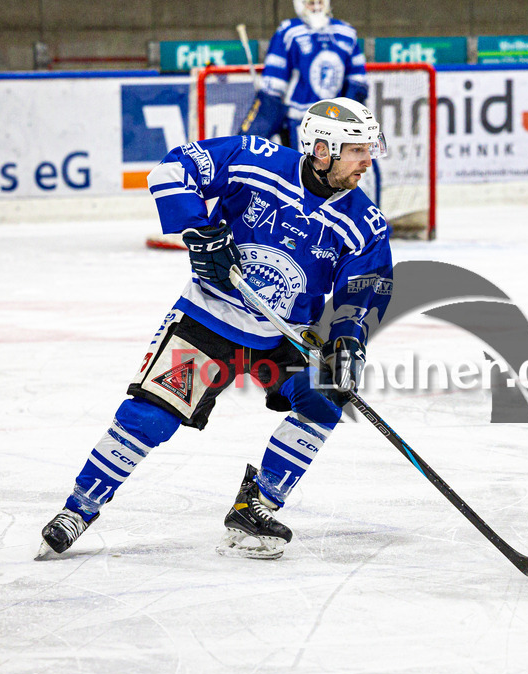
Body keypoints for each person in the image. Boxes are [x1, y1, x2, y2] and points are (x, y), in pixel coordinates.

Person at [37, 97, 393, 561]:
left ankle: (255, 506)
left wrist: (348, 342)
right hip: (209, 319)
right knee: (151, 417)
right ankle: (78, 509)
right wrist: (199, 230)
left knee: (324, 397)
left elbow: (361, 293)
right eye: (357, 150)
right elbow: (171, 169)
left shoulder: (366, 224)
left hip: (281, 336)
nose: (368, 161)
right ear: (322, 150)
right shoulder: (254, 159)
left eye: (370, 149)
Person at [239, 0, 368, 152]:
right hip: (301, 122)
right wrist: (256, 129)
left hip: (335, 123)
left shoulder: (346, 32)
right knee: (305, 171)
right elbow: (273, 88)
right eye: (310, 3)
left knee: (335, 171)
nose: (316, 7)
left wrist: (348, 118)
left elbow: (358, 82)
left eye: (319, 2)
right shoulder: (288, 32)